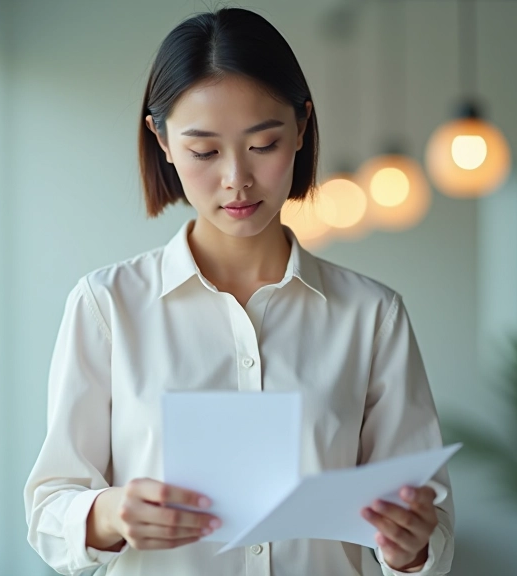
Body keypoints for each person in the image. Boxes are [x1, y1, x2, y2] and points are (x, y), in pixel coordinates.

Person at [24, 7, 454, 576]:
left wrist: (413, 546)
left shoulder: (372, 315)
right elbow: (49, 509)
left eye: (263, 144)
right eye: (204, 151)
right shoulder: (108, 306)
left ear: (301, 127)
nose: (236, 179)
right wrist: (109, 514)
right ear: (163, 141)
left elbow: (430, 522)